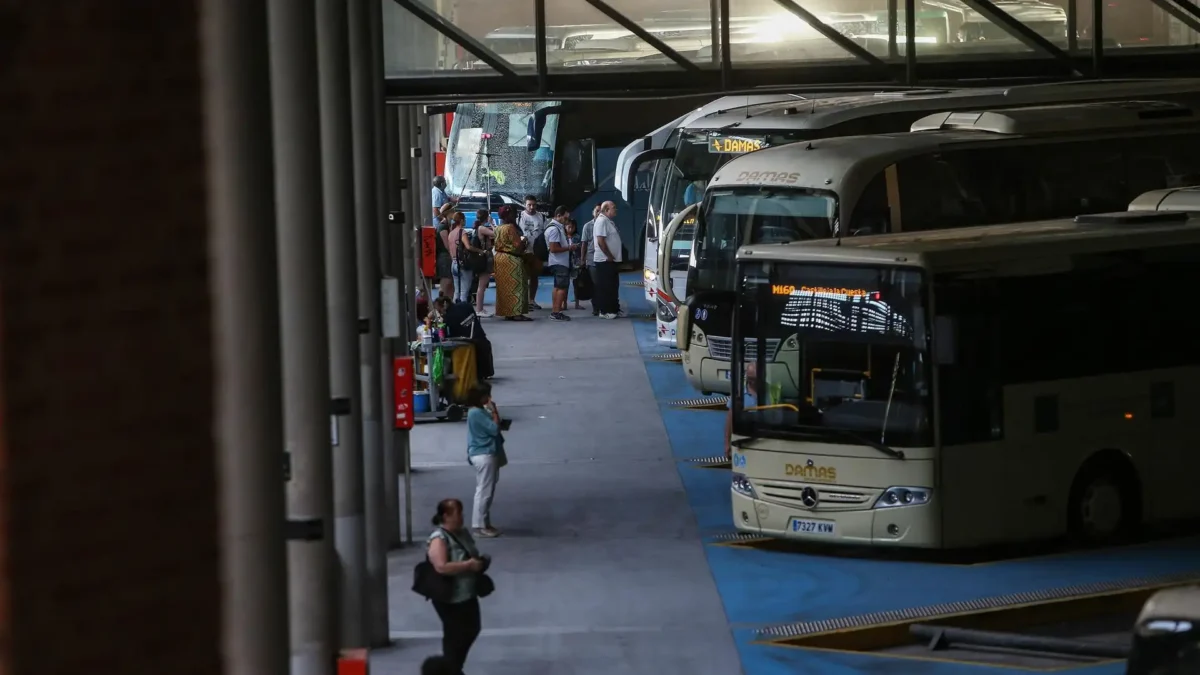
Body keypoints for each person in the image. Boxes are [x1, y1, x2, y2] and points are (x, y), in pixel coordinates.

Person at [426, 498, 487, 674]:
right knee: (455, 633)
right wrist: (468, 566)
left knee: (471, 628)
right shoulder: (439, 539)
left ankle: (452, 666)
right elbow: (441, 566)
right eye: (457, 513)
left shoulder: (462, 533)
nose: (461, 517)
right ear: (446, 516)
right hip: (450, 596)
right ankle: (452, 668)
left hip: (467, 592)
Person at [467, 383, 505, 537]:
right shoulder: (475, 413)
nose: (489, 398)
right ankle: (479, 525)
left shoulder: (479, 411)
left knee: (486, 489)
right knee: (484, 491)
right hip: (484, 453)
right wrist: (494, 412)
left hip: (485, 452)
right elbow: (494, 429)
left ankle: (484, 522)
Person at [492, 205, 533, 321]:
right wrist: (523, 241)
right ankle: (517, 313)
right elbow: (517, 245)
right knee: (517, 286)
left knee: (504, 287)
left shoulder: (499, 228)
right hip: (512, 260)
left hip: (499, 259)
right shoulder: (510, 227)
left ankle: (508, 312)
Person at [543, 205, 578, 322]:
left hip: (556, 262)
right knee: (562, 288)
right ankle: (556, 312)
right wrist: (569, 248)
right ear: (558, 216)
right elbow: (553, 248)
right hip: (559, 262)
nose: (567, 221)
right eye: (565, 218)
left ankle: (555, 310)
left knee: (557, 287)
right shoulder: (554, 229)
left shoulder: (555, 227)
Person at [591, 201, 624, 319]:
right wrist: (609, 255)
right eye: (613, 208)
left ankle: (614, 308)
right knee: (607, 286)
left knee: (613, 285)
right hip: (605, 261)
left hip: (610, 260)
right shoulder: (601, 221)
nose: (616, 210)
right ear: (606, 210)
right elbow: (600, 241)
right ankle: (606, 311)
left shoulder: (608, 221)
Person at [518, 195, 548, 310]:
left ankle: (532, 300)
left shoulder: (541, 217)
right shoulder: (520, 216)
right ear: (525, 205)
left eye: (534, 205)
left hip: (537, 251)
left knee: (535, 276)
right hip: (524, 251)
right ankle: (524, 301)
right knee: (523, 277)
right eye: (529, 205)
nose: (531, 207)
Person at [725, 362, 758, 458]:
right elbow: (730, 419)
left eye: (753, 379)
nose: (751, 382)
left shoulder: (771, 392)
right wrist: (727, 443)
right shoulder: (739, 394)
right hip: (745, 442)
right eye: (749, 378)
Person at [472, 209, 496, 318]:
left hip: (483, 257)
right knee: (482, 285)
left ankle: (480, 308)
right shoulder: (482, 228)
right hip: (485, 257)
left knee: (482, 285)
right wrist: (492, 222)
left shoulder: (478, 227)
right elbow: (497, 233)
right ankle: (479, 309)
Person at [579, 204, 601, 316]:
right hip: (592, 259)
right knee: (595, 284)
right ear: (593, 212)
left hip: (604, 260)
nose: (599, 213)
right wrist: (583, 260)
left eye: (601, 211)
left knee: (603, 284)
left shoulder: (608, 224)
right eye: (597, 211)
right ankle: (596, 307)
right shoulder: (587, 226)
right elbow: (584, 244)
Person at [565, 219, 585, 310]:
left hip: (575, 263)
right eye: (568, 226)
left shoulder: (577, 237)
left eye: (572, 226)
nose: (570, 228)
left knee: (576, 284)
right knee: (564, 284)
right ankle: (563, 303)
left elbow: (582, 248)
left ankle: (577, 303)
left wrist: (582, 260)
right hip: (565, 262)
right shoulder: (562, 236)